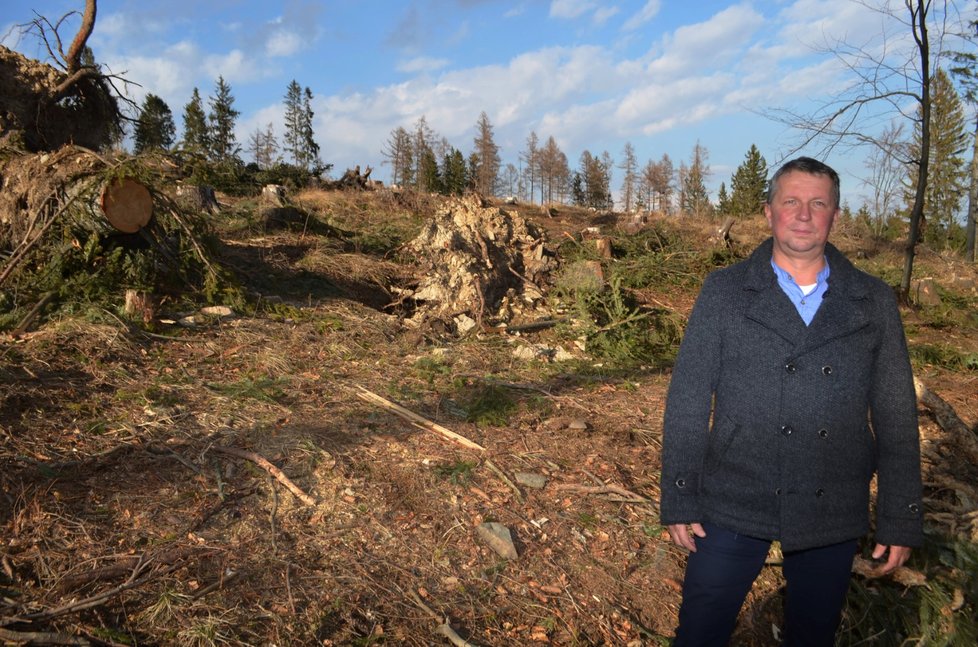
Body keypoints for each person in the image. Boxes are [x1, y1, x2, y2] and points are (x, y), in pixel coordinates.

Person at [659, 157, 922, 647]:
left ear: (836, 217)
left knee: (812, 635)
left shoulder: (873, 300)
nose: (804, 214)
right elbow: (689, 395)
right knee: (699, 632)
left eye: (818, 203)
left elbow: (896, 414)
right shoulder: (724, 291)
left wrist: (900, 514)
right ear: (769, 211)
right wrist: (679, 494)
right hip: (734, 492)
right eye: (791, 201)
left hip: (832, 499)